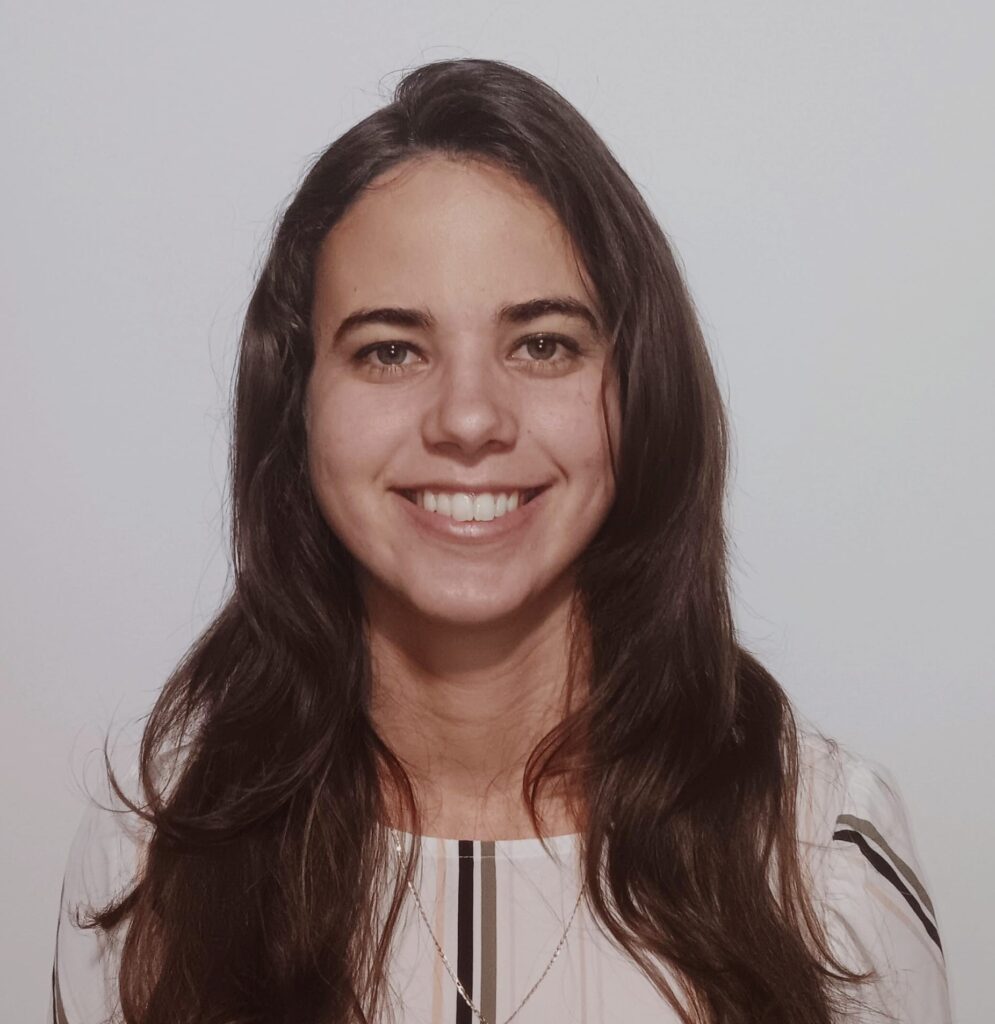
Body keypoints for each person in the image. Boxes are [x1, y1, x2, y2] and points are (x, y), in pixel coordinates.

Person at [49, 58, 952, 1024]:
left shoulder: (822, 862)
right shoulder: (153, 858)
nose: (470, 419)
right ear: (296, 409)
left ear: (638, 391)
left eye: (543, 344)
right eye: (390, 349)